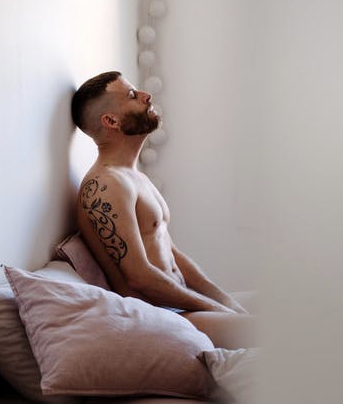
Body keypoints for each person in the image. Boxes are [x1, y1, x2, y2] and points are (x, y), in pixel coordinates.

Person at [71, 71, 255, 349]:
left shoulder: (135, 177)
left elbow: (173, 255)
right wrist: (216, 309)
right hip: (160, 316)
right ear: (110, 121)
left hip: (181, 303)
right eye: (132, 95)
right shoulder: (105, 184)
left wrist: (225, 301)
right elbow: (139, 276)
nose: (147, 96)